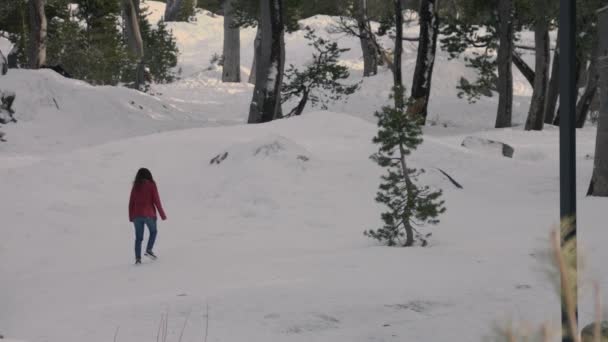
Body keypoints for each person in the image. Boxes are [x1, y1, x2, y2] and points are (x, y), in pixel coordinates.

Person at [129, 168, 167, 264]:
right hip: (148, 214)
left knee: (138, 238)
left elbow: (131, 202)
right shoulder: (151, 185)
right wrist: (162, 214)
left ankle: (138, 259)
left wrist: (131, 216)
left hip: (136, 215)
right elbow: (156, 200)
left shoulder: (135, 186)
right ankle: (149, 250)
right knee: (153, 232)